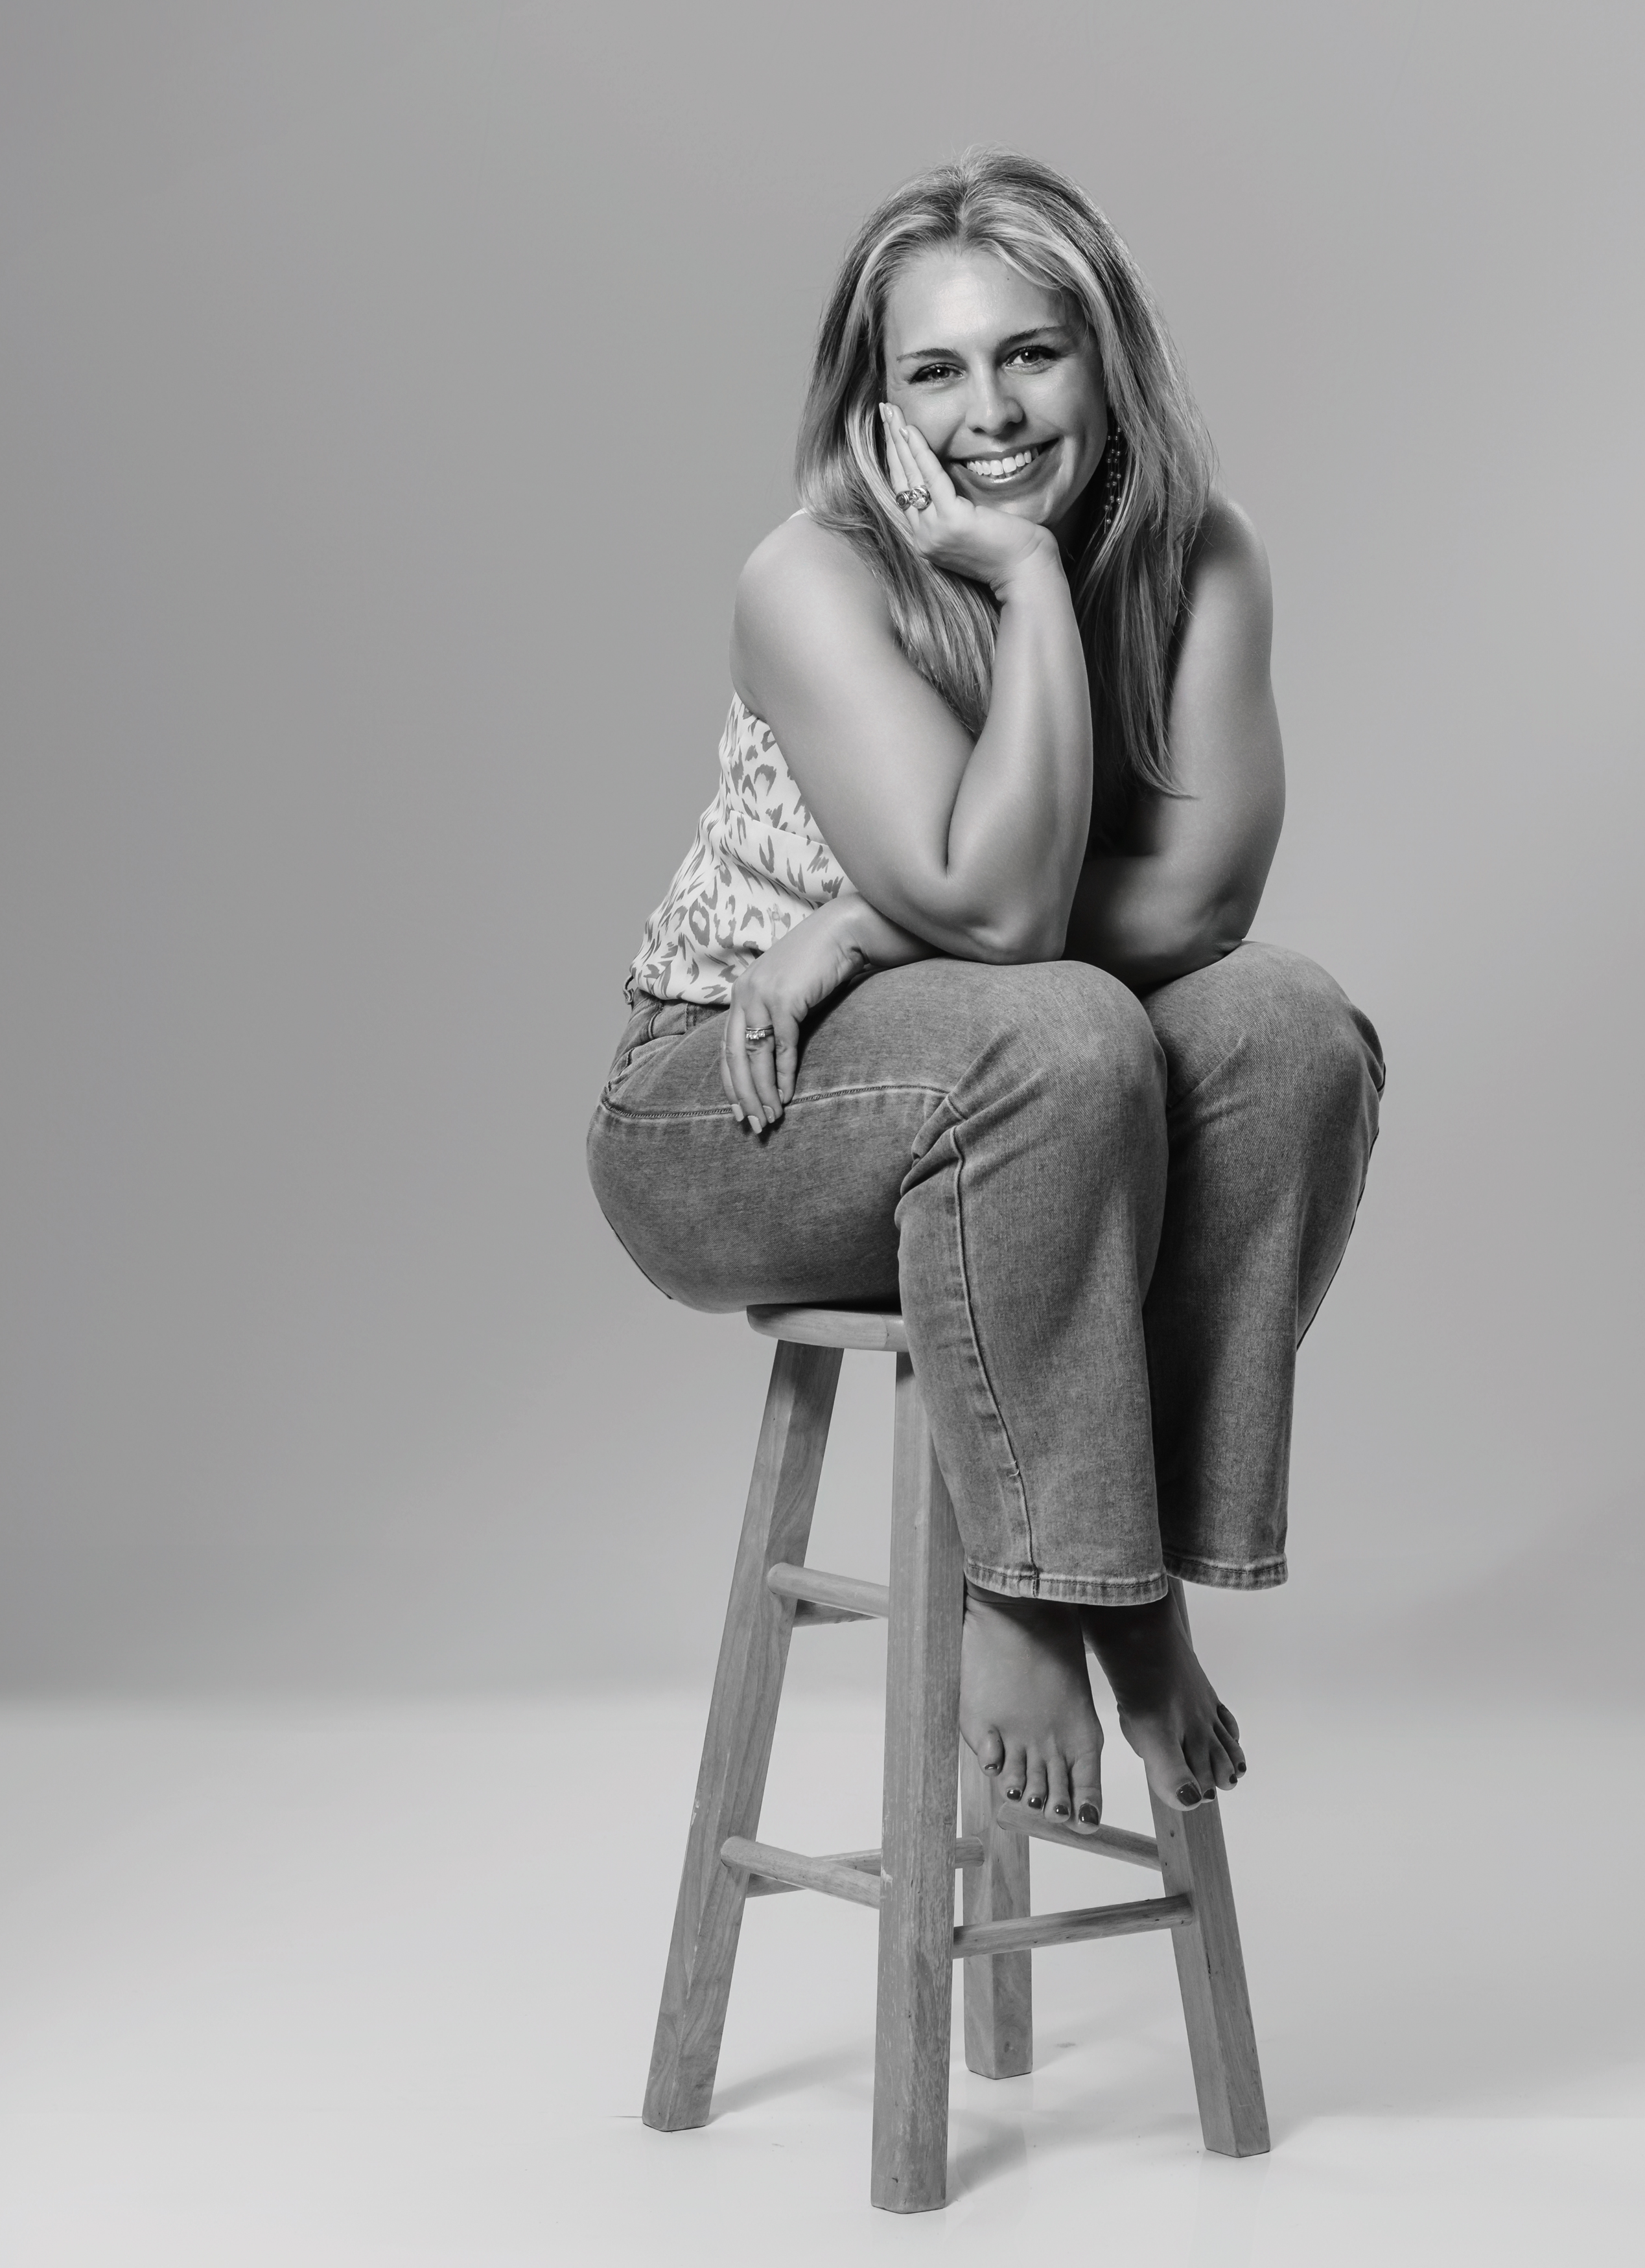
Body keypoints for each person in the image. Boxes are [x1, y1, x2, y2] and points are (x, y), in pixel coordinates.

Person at [587, 150, 1382, 1833]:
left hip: (1004, 1075)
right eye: (933, 370)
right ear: (873, 406)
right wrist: (1020, 582)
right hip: (733, 1096)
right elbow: (1011, 917)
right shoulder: (808, 576)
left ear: (1107, 357)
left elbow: (1210, 900)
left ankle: (1123, 1555)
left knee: (1289, 1027)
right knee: (1064, 1030)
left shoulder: (1198, 555)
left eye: (1032, 351)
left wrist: (873, 929)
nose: (990, 410)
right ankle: (1063, 1593)